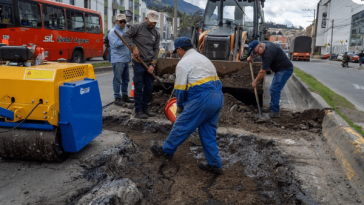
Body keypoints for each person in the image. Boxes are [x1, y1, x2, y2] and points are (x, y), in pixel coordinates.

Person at [151, 37, 224, 175]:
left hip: (202, 98)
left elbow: (179, 90)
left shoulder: (183, 63)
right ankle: (215, 164)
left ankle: (166, 151)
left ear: (180, 49)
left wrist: (180, 107)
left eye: (176, 51)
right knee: (208, 132)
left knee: (182, 125)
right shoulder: (203, 58)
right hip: (218, 97)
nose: (176, 54)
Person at [123, 10, 160, 119]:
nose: (153, 24)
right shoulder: (137, 27)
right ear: (146, 19)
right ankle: (138, 110)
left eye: (155, 22)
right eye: (151, 22)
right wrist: (133, 48)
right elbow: (125, 36)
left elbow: (156, 49)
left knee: (149, 87)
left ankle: (145, 108)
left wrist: (153, 64)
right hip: (139, 62)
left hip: (149, 63)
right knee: (138, 86)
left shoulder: (156, 33)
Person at [247, 40, 293, 118]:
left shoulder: (268, 54)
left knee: (275, 89)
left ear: (260, 46)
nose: (257, 55)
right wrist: (251, 56)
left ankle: (275, 112)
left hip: (285, 70)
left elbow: (262, 72)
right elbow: (256, 49)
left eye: (257, 53)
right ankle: (273, 107)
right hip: (279, 69)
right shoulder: (264, 44)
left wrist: (255, 81)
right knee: (273, 88)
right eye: (255, 53)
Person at [108, 14, 134, 106]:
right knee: (117, 79)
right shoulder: (112, 32)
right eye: (121, 22)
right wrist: (125, 40)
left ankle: (124, 96)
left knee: (126, 79)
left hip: (126, 59)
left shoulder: (125, 32)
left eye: (124, 21)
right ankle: (117, 97)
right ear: (116, 22)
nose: (122, 23)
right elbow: (115, 44)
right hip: (118, 59)